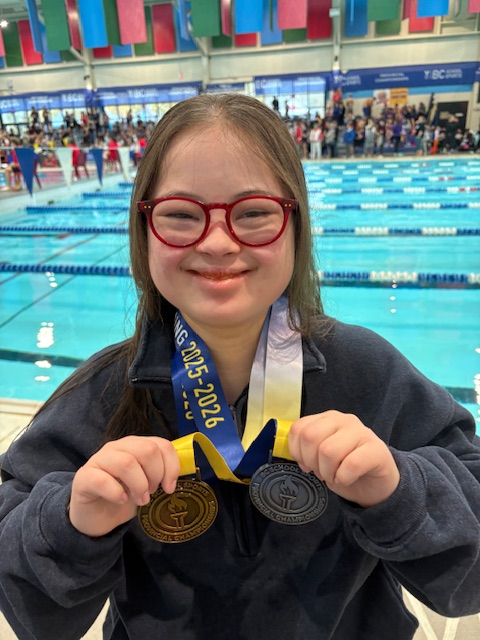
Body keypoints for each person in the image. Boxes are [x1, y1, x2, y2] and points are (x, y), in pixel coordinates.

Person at [0, 93, 480, 640]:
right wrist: (71, 523)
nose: (218, 242)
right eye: (181, 215)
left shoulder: (369, 372)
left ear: (295, 224)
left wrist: (399, 490)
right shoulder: (100, 394)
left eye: (253, 213)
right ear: (144, 229)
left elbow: (469, 582)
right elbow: (30, 615)